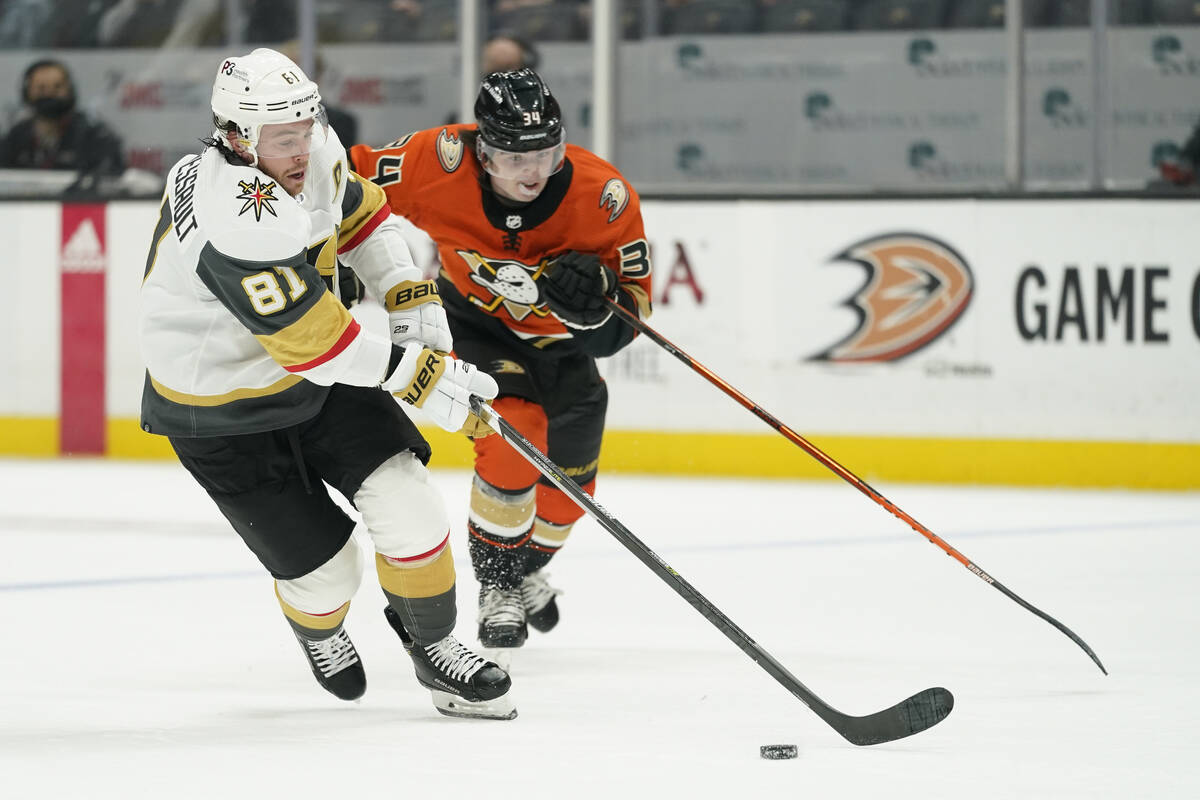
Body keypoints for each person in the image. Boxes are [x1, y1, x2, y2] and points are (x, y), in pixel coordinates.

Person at [137, 47, 515, 720]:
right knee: (329, 573)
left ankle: (435, 648)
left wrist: (407, 294)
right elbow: (320, 345)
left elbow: (361, 216)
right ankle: (318, 627)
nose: (303, 148)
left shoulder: (308, 143)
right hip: (221, 410)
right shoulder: (234, 217)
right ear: (235, 137)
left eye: (307, 127)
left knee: (408, 499)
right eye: (285, 138)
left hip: (316, 377)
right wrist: (424, 375)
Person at [350, 68, 653, 654]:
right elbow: (338, 179)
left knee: (571, 492)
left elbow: (627, 323)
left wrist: (596, 305)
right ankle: (498, 584)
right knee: (516, 428)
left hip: (562, 348)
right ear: (482, 152)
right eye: (515, 158)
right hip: (477, 327)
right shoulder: (436, 162)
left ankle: (525, 569)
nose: (534, 172)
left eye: (546, 152)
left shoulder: (603, 197)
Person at [0, 58, 125, 176]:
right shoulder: (15, 137)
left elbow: (109, 179)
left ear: (70, 90)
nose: (49, 93)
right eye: (41, 88)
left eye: (57, 87)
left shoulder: (95, 135)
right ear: (27, 93)